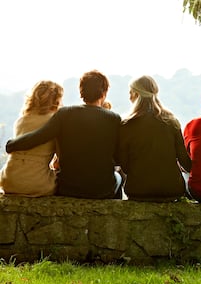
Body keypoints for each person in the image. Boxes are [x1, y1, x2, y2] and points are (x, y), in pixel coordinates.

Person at [6, 70, 122, 199]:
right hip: (102, 189)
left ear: (81, 91)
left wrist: (11, 145)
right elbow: (118, 157)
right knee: (118, 177)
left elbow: (39, 136)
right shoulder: (114, 118)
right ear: (104, 93)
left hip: (68, 188)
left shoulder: (64, 114)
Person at [116, 75, 191, 202]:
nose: (129, 97)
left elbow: (125, 166)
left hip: (138, 190)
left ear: (136, 94)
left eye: (130, 93)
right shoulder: (171, 121)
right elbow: (185, 162)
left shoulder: (126, 125)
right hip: (171, 190)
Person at [0, 81, 63, 197]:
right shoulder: (54, 122)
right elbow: (60, 159)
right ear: (56, 100)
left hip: (8, 179)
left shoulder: (21, 121)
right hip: (35, 183)